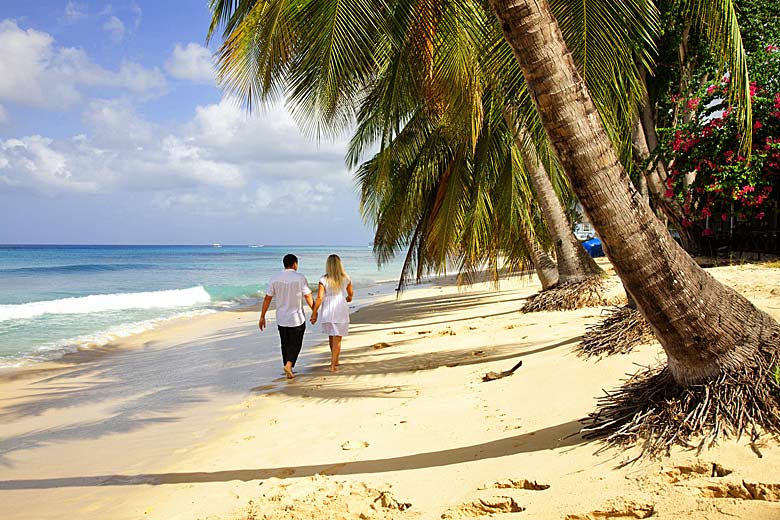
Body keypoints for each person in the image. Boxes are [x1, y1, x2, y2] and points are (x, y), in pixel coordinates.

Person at [259, 254, 314, 379]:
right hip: (297, 318)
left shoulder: (275, 278)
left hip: (281, 317)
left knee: (285, 343)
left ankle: (287, 367)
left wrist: (262, 316)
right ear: (295, 264)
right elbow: (308, 296)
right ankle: (289, 365)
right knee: (296, 343)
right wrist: (314, 311)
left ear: (284, 264)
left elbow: (267, 298)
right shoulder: (300, 278)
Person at [310, 254, 353, 372]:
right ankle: (333, 364)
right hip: (340, 306)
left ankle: (335, 360)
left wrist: (314, 313)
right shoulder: (345, 278)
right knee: (337, 337)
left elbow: (319, 297)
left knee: (331, 335)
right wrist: (349, 298)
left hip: (328, 307)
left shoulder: (323, 279)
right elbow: (350, 294)